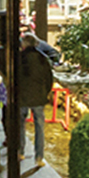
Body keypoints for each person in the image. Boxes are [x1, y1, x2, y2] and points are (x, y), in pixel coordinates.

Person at [18, 32, 56, 168]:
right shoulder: (42, 58)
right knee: (39, 127)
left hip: (22, 96)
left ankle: (20, 151)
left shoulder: (19, 58)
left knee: (20, 124)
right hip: (39, 97)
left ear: (24, 44)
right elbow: (49, 79)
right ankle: (39, 157)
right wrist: (45, 93)